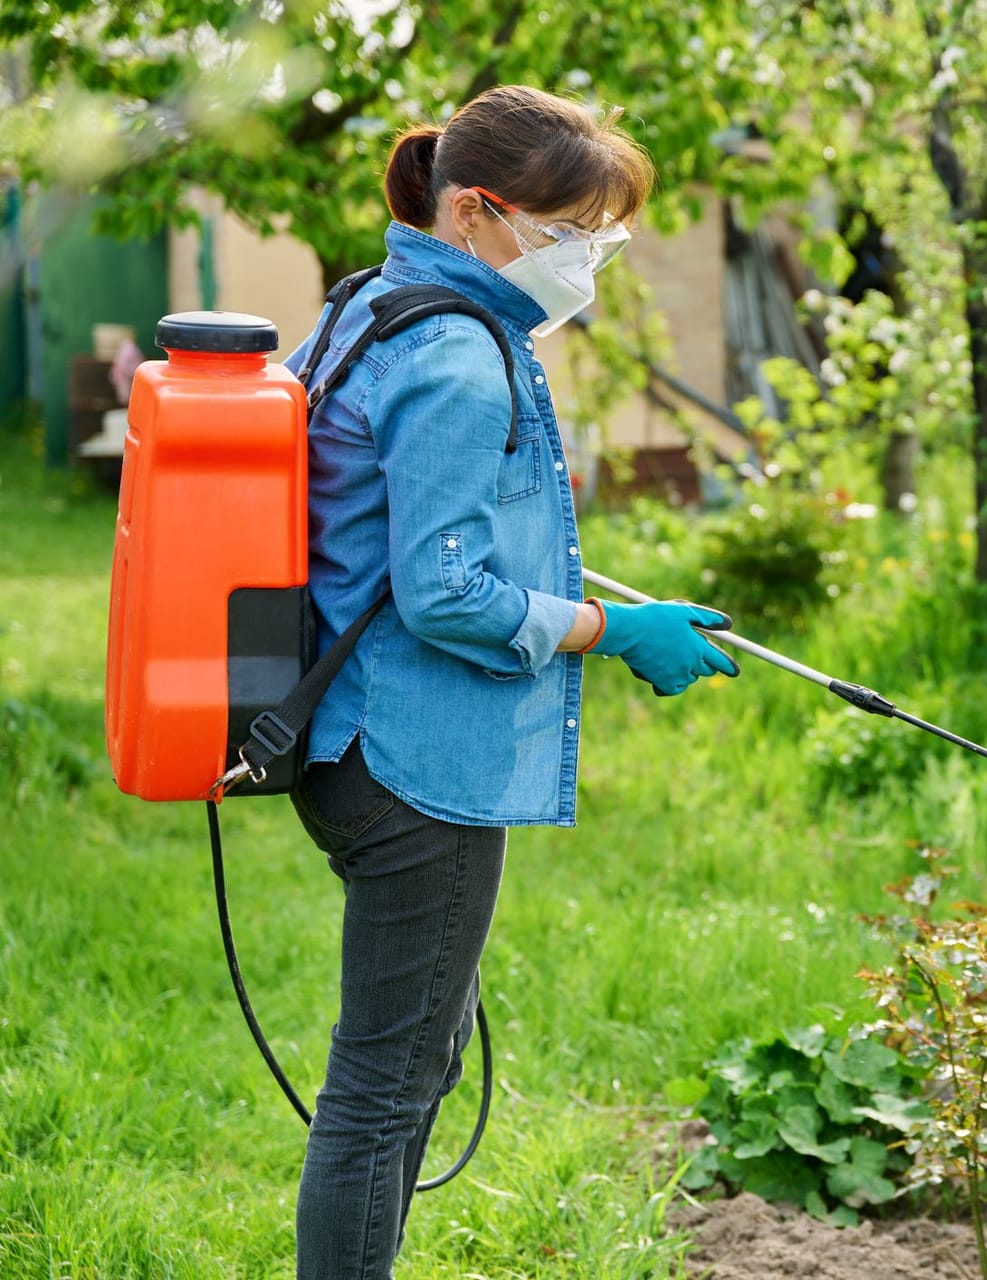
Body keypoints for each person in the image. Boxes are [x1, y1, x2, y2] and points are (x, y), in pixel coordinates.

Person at [282, 85, 738, 1280]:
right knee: (382, 1092)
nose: (589, 259)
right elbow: (443, 593)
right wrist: (607, 628)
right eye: (574, 231)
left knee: (404, 1067)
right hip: (413, 764)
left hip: (347, 736)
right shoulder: (459, 356)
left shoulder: (367, 304)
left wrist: (590, 588)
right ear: (482, 213)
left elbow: (394, 522)